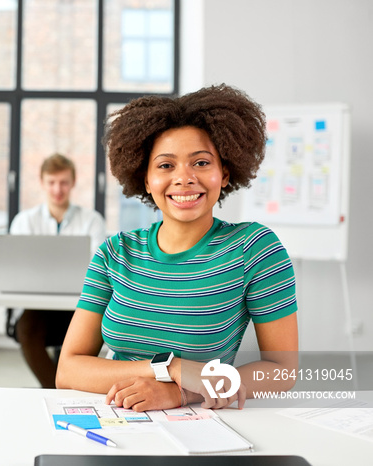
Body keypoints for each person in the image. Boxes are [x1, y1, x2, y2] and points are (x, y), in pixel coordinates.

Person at [56, 85, 299, 411]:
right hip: (118, 417)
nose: (183, 178)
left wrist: (181, 393)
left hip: (202, 423)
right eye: (166, 165)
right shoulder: (114, 253)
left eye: (200, 163)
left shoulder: (253, 249)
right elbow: (68, 369)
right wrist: (170, 368)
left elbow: (282, 371)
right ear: (145, 179)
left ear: (224, 174)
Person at [9, 153, 105, 388]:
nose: (57, 189)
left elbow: (96, 269)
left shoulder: (92, 220)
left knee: (87, 332)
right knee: (27, 328)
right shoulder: (24, 221)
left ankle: (59, 387)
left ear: (72, 182)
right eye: (51, 182)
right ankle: (57, 389)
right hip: (37, 304)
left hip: (79, 303)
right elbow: (17, 266)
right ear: (42, 183)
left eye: (63, 182)